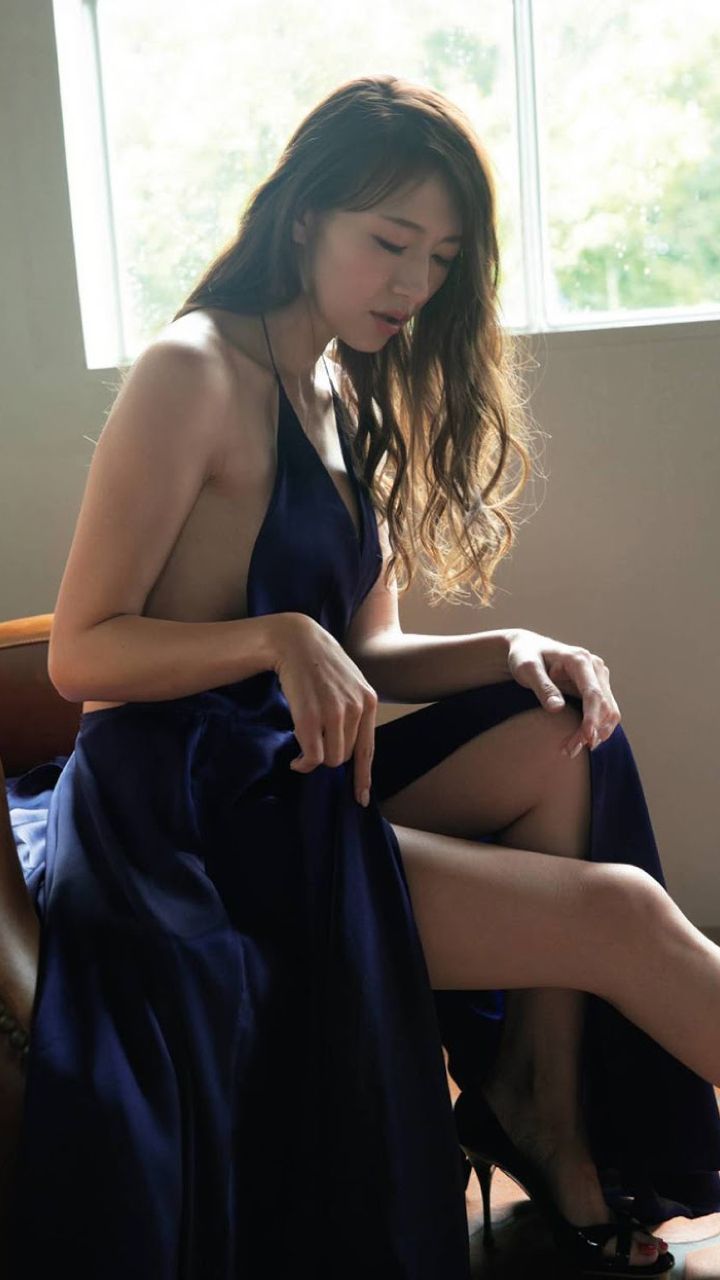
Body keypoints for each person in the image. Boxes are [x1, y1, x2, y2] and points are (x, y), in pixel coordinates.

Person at [2, 72, 720, 1278]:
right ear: (303, 219)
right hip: (188, 814)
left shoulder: (338, 385)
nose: (413, 283)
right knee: (624, 913)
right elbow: (82, 652)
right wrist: (272, 636)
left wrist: (511, 646)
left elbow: (367, 650)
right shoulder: (193, 370)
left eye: (440, 257)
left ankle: (536, 1098)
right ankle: (536, 1109)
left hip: (299, 773)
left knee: (562, 728)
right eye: (390, 242)